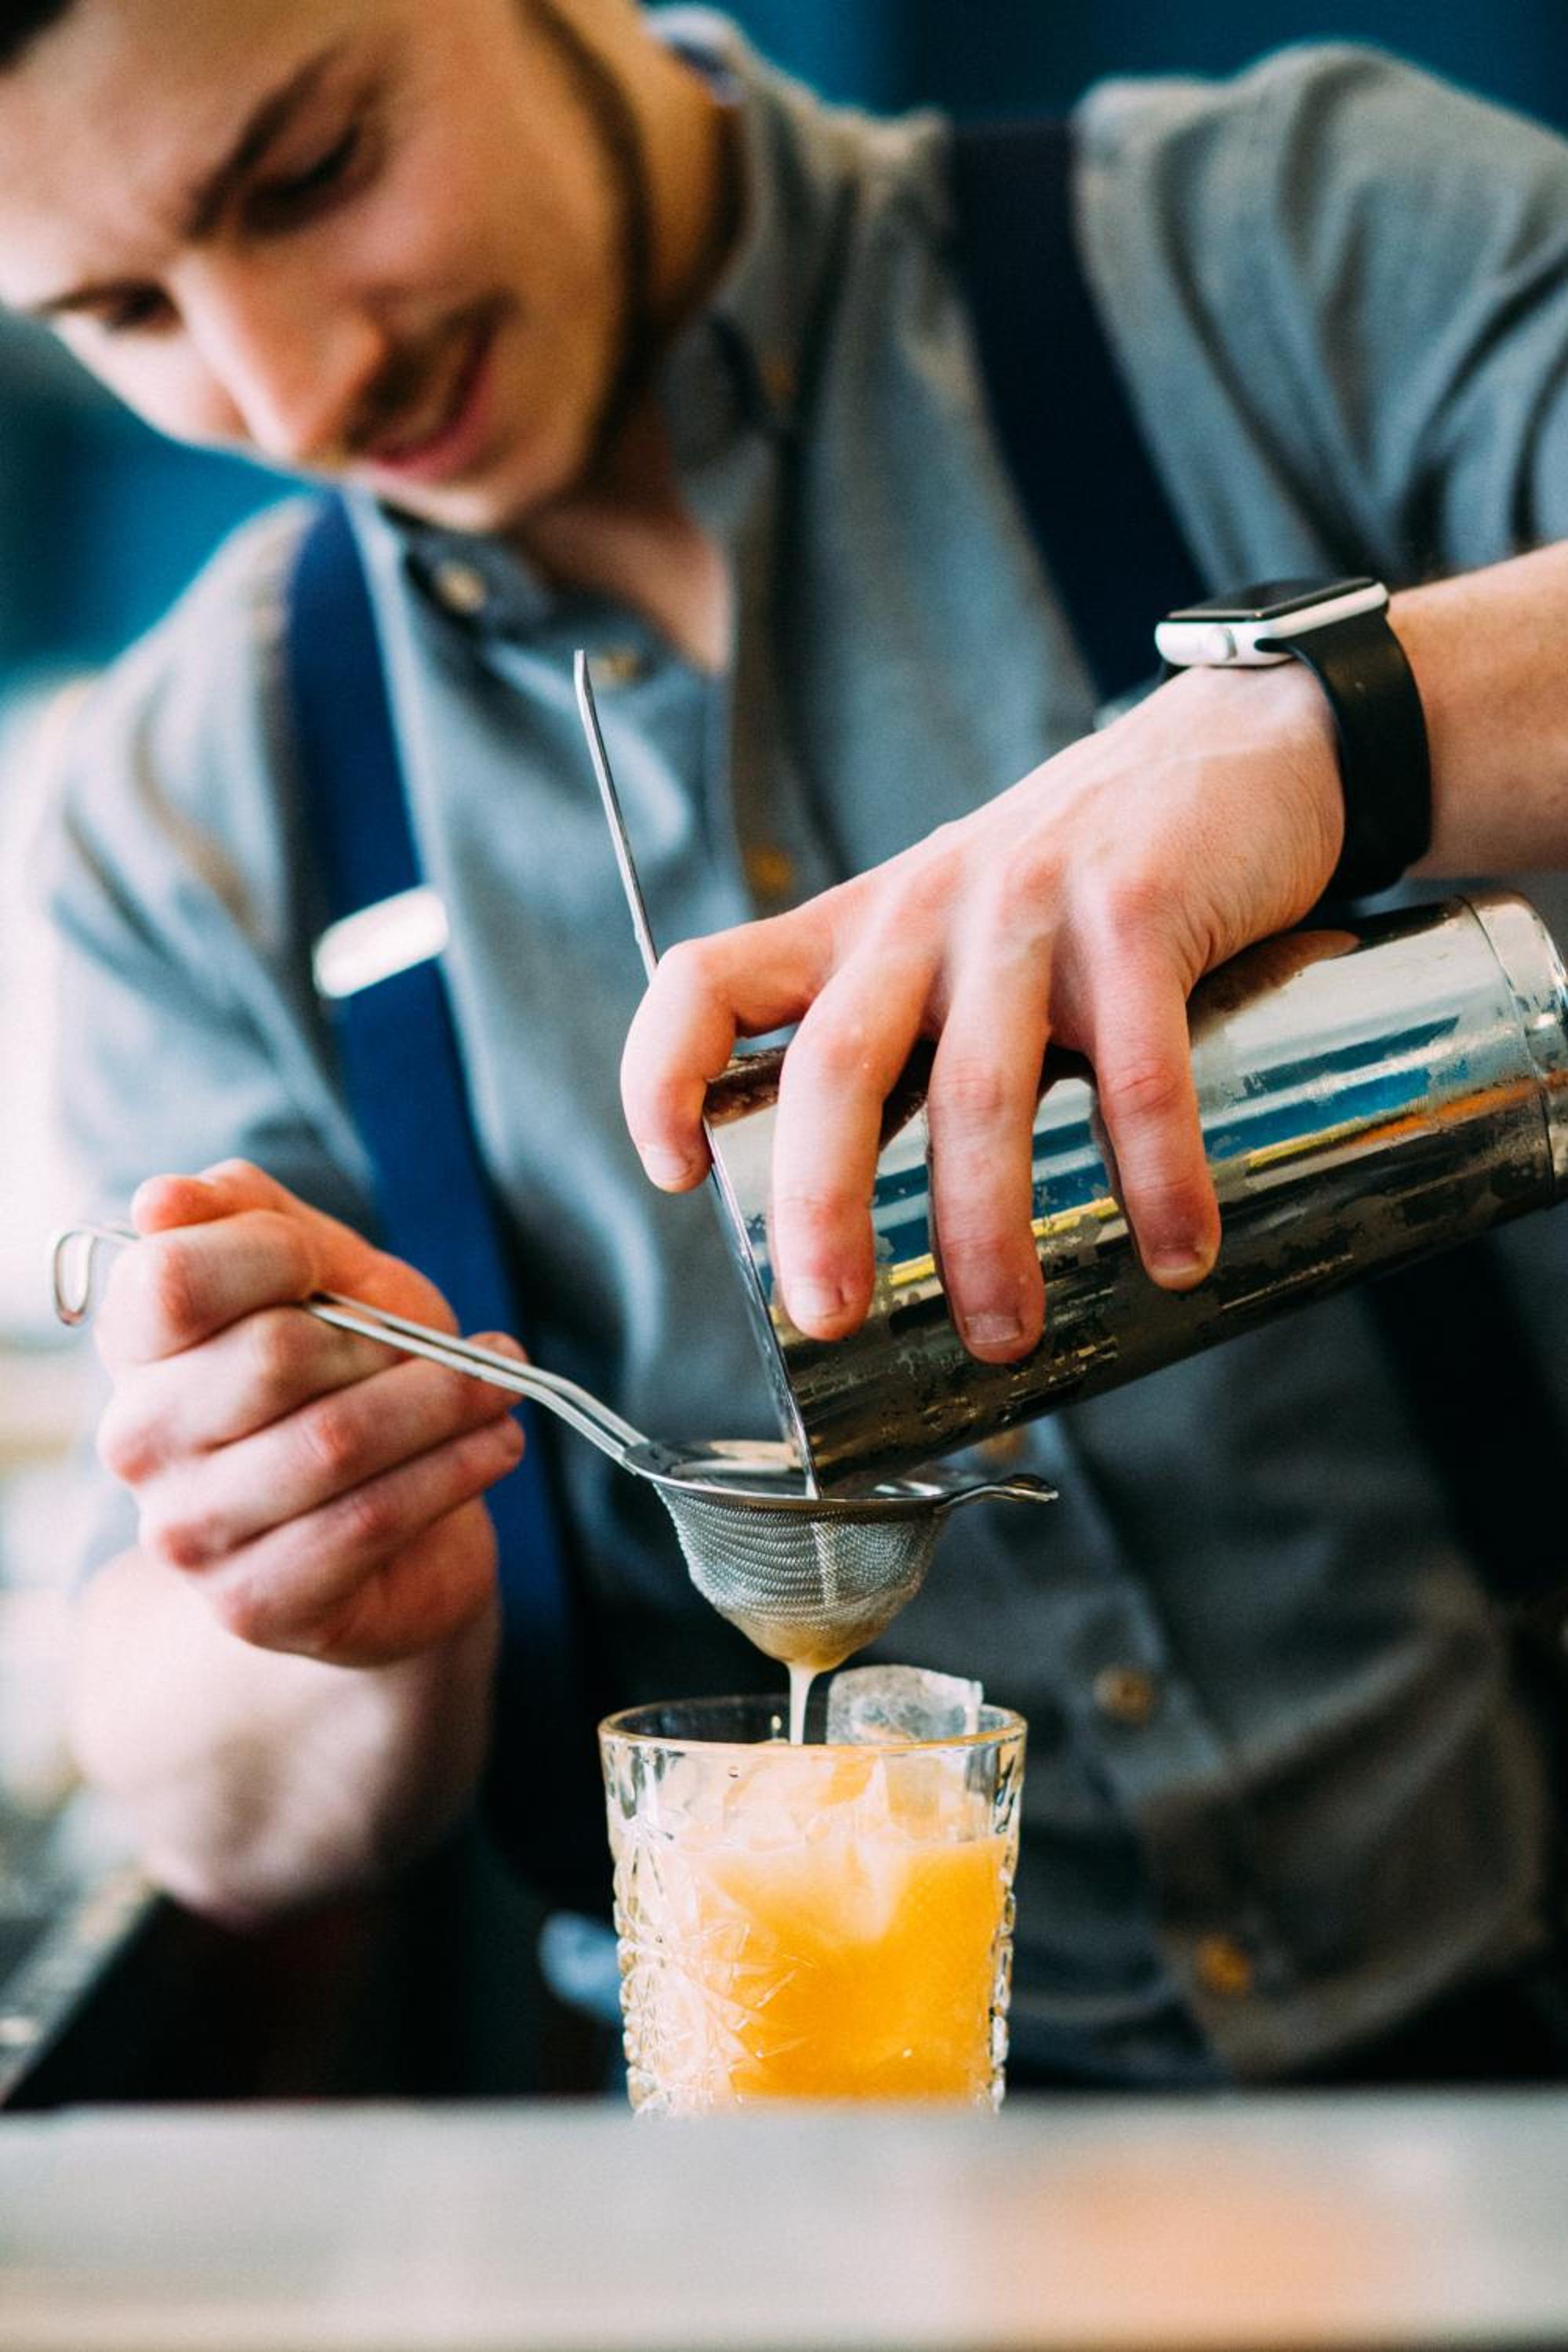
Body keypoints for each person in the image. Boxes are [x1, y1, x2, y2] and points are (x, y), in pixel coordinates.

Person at [9, 0, 1568, 2085]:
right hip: (798, 2168)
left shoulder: (1285, 245)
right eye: (124, 311)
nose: (294, 387)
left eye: (314, 171)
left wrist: (1332, 734)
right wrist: (299, 1580)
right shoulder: (180, 821)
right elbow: (201, 1795)